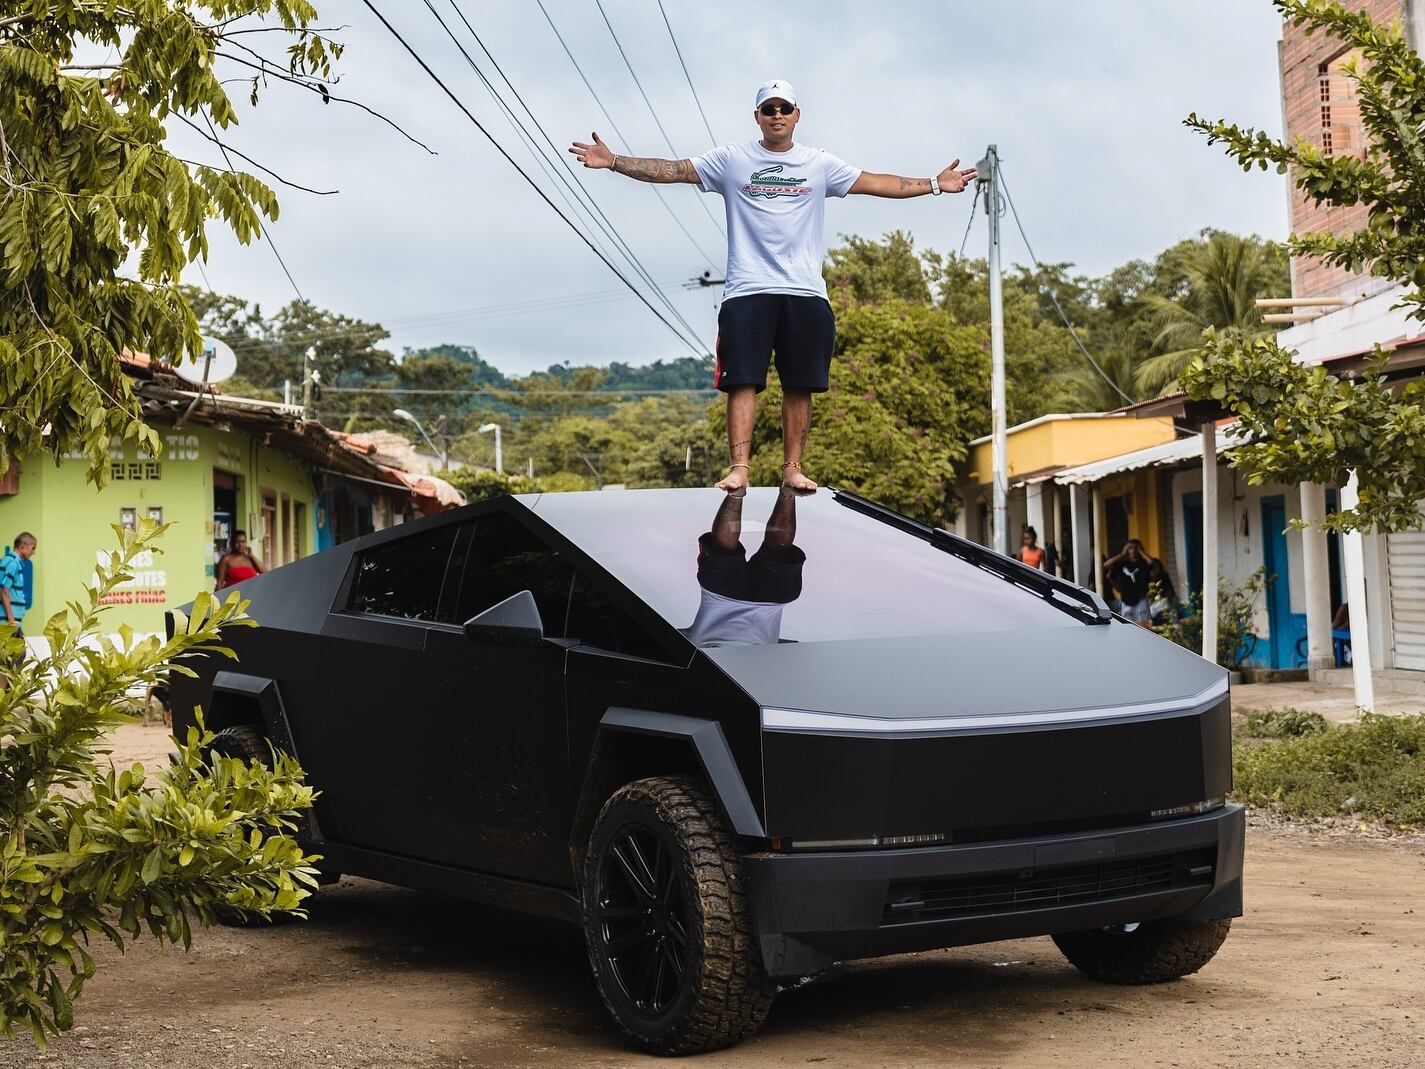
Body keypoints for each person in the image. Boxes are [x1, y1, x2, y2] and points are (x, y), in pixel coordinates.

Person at [571, 79, 977, 494]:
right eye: (769, 109)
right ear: (758, 117)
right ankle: (740, 468)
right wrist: (615, 161)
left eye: (785, 108)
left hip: (805, 293)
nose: (777, 114)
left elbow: (876, 182)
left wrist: (932, 183)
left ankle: (793, 467)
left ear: (797, 115)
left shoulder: (818, 164)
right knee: (741, 380)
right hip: (747, 290)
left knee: (800, 383)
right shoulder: (732, 159)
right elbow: (674, 171)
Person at [685, 488, 805, 647]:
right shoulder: (701, 665)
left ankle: (788, 493)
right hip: (720, 595)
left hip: (771, 603)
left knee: (778, 550)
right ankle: (736, 492)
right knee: (724, 550)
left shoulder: (765, 669)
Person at [0, 531, 36, 638]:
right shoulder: (14, 563)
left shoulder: (5, 560)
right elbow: (4, 590)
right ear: (22, 546)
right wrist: (12, 620)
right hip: (9, 624)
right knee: (19, 654)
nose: (33, 553)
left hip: (6, 624)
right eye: (32, 548)